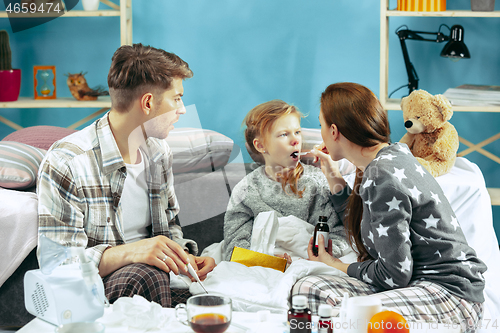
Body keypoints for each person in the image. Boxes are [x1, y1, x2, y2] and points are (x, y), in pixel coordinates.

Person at [291, 82, 486, 331]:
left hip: (451, 295)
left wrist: (336, 265)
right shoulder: (392, 155)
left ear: (333, 130)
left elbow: (394, 275)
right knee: (309, 290)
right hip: (417, 284)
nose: (320, 133)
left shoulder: (382, 174)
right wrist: (333, 174)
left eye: (320, 125)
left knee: (350, 317)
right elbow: (369, 221)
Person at [37, 43, 216, 307]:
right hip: (97, 289)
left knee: (225, 291)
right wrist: (134, 252)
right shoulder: (67, 162)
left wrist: (183, 256)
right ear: (148, 102)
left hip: (159, 283)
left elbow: (169, 225)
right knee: (143, 274)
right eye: (177, 98)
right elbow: (57, 265)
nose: (183, 109)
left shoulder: (159, 153)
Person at [223, 100, 350, 261]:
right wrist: (270, 261)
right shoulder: (245, 190)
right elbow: (234, 249)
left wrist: (318, 258)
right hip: (263, 265)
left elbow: (340, 235)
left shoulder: (316, 182)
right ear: (261, 145)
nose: (295, 140)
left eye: (297, 132)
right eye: (284, 134)